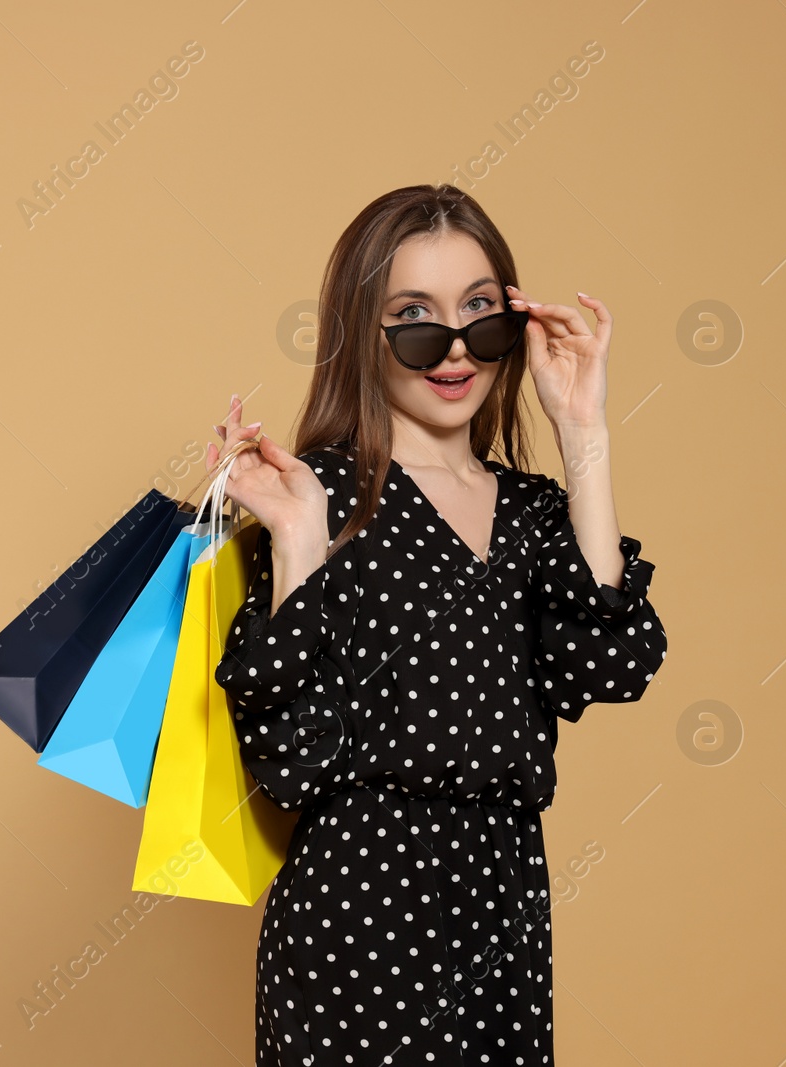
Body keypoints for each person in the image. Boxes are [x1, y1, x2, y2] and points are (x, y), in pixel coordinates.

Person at [208, 183, 667, 1065]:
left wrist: (583, 429)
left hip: (502, 910)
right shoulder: (322, 495)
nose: (454, 348)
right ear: (361, 334)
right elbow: (291, 764)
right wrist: (299, 537)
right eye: (415, 318)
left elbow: (608, 667)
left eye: (481, 314)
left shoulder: (534, 513)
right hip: (358, 916)